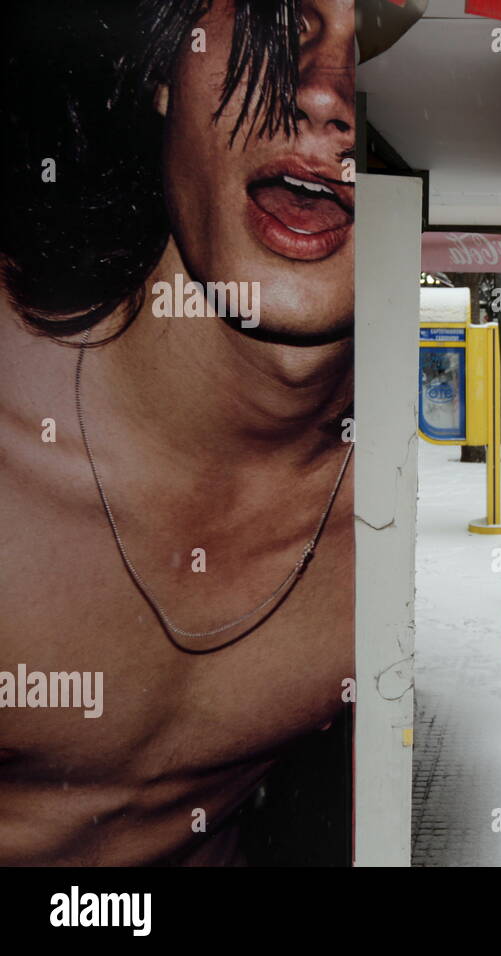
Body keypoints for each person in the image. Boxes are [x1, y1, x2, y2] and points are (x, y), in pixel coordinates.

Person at [0, 0, 355, 865]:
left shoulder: (421, 526)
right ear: (165, 65)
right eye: (282, 17)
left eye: (390, 46)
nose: (323, 94)